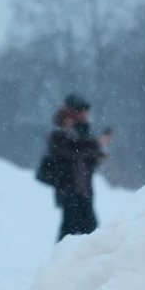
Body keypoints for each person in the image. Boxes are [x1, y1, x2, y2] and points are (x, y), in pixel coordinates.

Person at [49, 94, 110, 241]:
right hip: (69, 190)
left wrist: (97, 154)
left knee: (89, 231)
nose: (84, 115)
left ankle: (83, 255)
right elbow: (72, 151)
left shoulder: (83, 132)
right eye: (81, 112)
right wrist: (96, 144)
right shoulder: (59, 133)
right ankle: (64, 256)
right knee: (71, 231)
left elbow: (87, 159)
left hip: (84, 190)